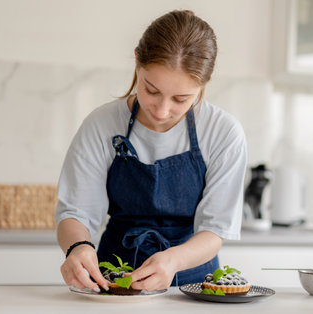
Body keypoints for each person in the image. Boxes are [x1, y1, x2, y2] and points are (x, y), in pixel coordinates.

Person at [55, 9, 247, 292]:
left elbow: (215, 230)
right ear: (137, 63)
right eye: (151, 90)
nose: (162, 110)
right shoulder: (102, 124)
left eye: (181, 99)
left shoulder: (223, 133)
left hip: (192, 285)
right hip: (112, 279)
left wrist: (172, 260)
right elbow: (76, 211)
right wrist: (78, 247)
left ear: (203, 85)